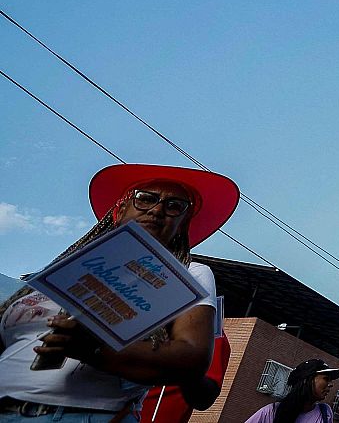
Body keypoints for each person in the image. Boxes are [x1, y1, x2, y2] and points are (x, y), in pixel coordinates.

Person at [1, 164, 240, 423]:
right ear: (120, 209)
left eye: (174, 206)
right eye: (145, 198)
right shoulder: (63, 271)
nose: (157, 210)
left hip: (78, 414)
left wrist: (95, 350)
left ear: (183, 224)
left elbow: (192, 360)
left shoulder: (188, 273)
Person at [243, 360, 339, 423]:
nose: (330, 384)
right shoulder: (271, 412)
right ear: (305, 380)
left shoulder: (325, 413)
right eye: (326, 379)